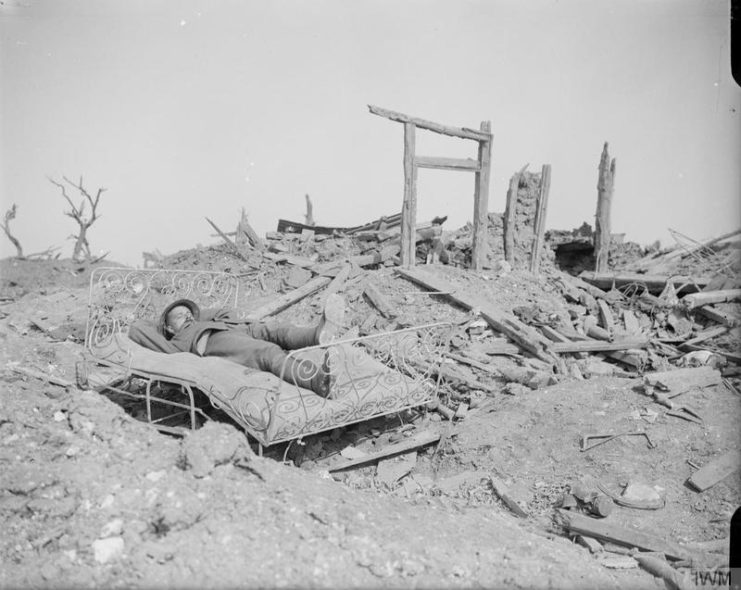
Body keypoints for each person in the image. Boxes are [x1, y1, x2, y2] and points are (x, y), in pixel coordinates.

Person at [128, 294, 345, 398]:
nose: (186, 317)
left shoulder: (200, 320)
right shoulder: (174, 342)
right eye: (179, 317)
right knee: (267, 352)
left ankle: (316, 335)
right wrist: (166, 324)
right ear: (169, 328)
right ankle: (317, 381)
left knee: (277, 330)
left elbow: (224, 312)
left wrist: (196, 315)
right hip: (215, 340)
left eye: (188, 313)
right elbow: (137, 328)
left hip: (234, 328)